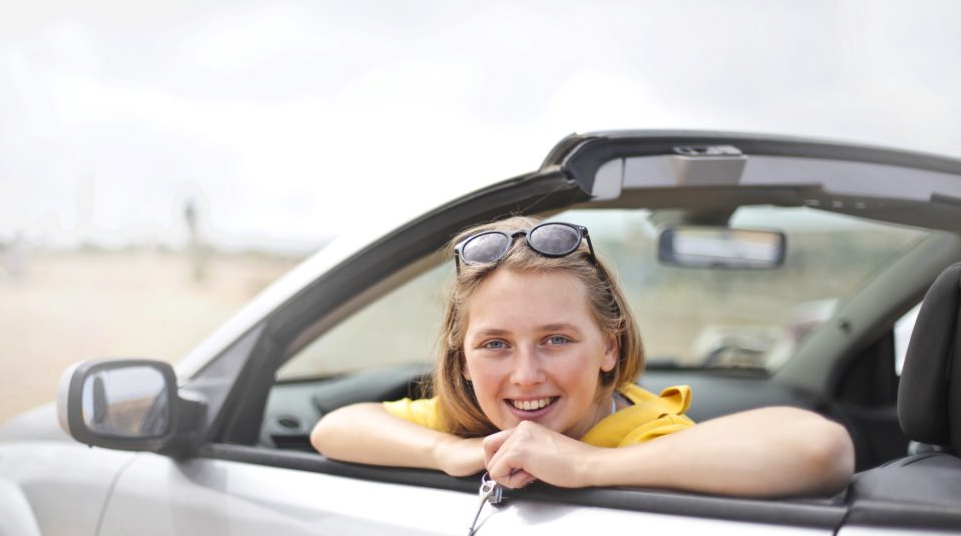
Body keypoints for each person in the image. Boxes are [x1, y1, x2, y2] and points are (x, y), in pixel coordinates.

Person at [311, 216, 854, 498]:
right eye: (495, 344)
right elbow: (334, 427)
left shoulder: (641, 432)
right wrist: (450, 454)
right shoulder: (478, 427)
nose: (525, 376)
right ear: (462, 359)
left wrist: (590, 466)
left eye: (556, 340)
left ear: (609, 346)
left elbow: (819, 448)